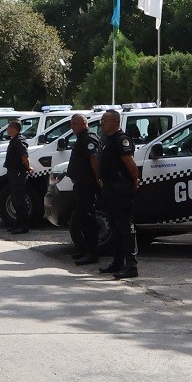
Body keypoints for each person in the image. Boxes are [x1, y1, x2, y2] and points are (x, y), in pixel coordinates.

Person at [96, 109, 139, 279]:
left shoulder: (122, 140)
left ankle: (131, 265)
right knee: (115, 227)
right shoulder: (108, 140)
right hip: (110, 189)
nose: (102, 123)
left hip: (121, 189)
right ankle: (118, 262)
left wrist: (134, 181)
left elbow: (131, 165)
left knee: (125, 227)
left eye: (105, 120)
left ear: (115, 121)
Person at [67, 114, 101, 265]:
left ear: (83, 123)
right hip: (80, 184)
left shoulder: (89, 138)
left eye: (74, 124)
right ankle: (85, 249)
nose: (72, 127)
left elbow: (94, 158)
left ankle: (92, 253)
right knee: (81, 218)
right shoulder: (82, 138)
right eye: (71, 124)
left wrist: (98, 178)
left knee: (88, 219)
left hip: (87, 185)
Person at [4, 120, 31, 234]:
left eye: (9, 127)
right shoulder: (14, 140)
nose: (7, 129)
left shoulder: (19, 141)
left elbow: (24, 156)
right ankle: (17, 224)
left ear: (14, 128)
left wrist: (28, 168)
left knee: (20, 200)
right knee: (15, 200)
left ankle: (23, 226)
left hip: (18, 173)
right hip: (13, 173)